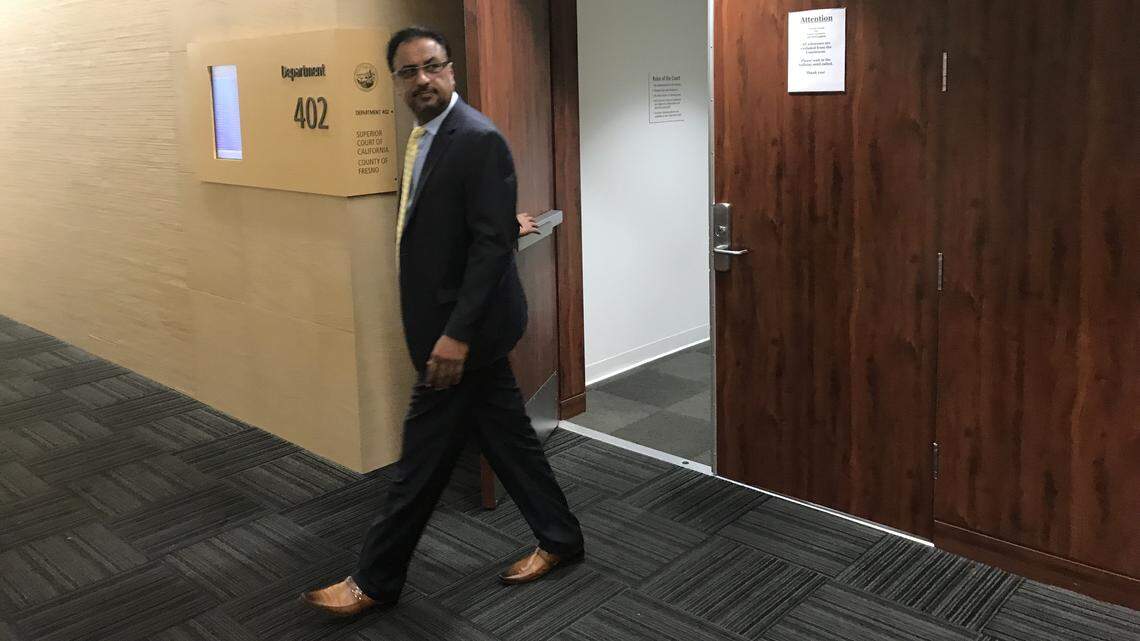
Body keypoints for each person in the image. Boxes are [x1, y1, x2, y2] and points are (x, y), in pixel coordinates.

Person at [302, 26, 584, 618]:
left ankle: (375, 581)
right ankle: (561, 538)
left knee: (420, 463)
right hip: (449, 329)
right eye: (409, 72)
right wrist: (507, 222)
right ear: (397, 81)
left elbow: (485, 251)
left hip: (461, 339)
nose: (422, 80)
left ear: (452, 71)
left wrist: (455, 335)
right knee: (510, 444)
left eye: (432, 67)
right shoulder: (427, 137)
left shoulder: (476, 138)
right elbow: (474, 226)